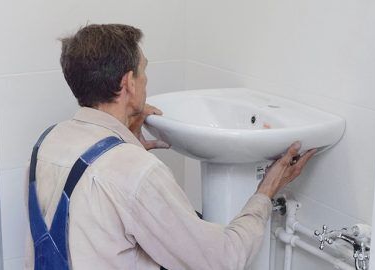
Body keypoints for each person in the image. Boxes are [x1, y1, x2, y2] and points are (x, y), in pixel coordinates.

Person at [25, 24, 316, 270]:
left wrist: (126, 144)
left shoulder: (47, 142)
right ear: (128, 83)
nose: (146, 79)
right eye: (143, 71)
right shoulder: (134, 172)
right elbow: (223, 259)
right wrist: (266, 191)